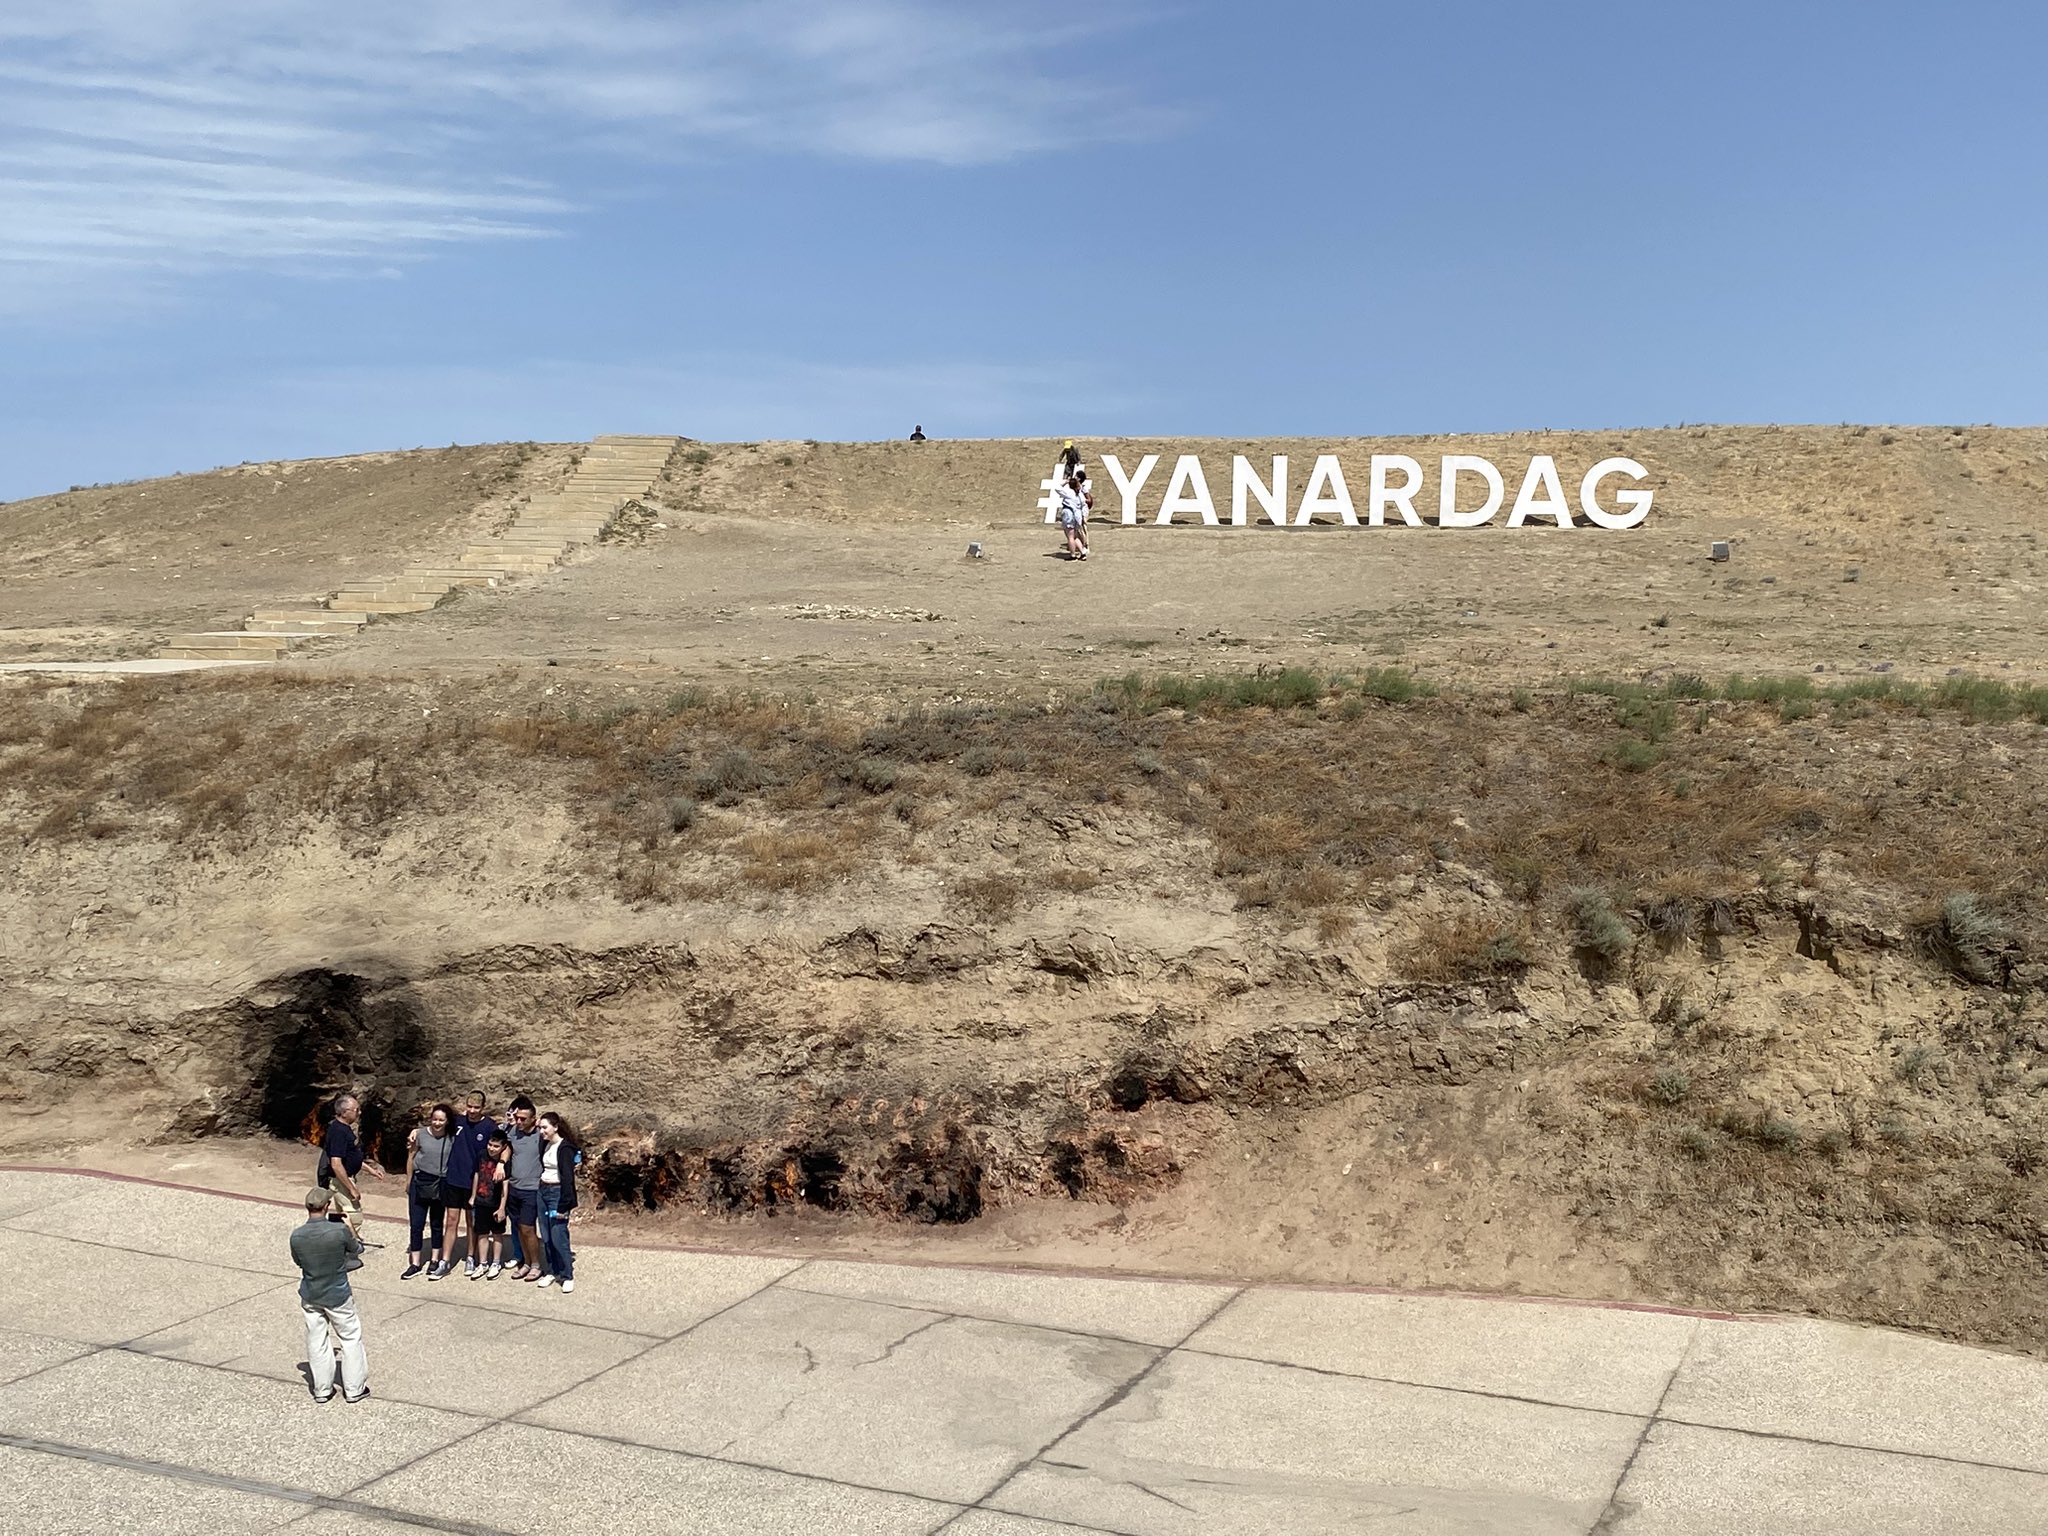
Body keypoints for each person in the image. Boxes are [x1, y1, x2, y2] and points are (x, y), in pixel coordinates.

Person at [290, 1187, 368, 1404]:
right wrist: (350, 1228)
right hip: (337, 1293)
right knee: (350, 1338)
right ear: (326, 1207)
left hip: (311, 1293)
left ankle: (322, 1389)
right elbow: (357, 1250)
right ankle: (354, 1389)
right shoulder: (338, 1232)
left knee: (317, 1340)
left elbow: (298, 1262)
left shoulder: (297, 1235)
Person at [316, 1094, 388, 1238]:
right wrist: (351, 1188)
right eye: (356, 1110)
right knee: (354, 1216)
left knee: (342, 1214)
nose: (359, 1113)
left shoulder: (344, 1128)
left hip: (344, 1178)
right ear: (344, 1112)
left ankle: (337, 1240)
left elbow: (350, 1158)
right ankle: (349, 1245)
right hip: (341, 1180)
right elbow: (336, 1164)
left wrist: (371, 1170)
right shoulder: (338, 1132)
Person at [443, 1091, 497, 1277]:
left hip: (474, 1181)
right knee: (451, 1220)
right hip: (454, 1178)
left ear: (483, 1108)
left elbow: (503, 1146)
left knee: (471, 1222)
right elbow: (437, 1127)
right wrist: (416, 1131)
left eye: (476, 1108)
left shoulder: (489, 1126)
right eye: (469, 1107)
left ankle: (471, 1256)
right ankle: (445, 1259)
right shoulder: (457, 1121)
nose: (472, 1111)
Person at [403, 1103, 458, 1279]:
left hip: (441, 1182)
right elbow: (411, 1157)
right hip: (420, 1181)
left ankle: (435, 1258)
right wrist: (408, 1180)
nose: (437, 1123)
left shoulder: (452, 1137)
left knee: (436, 1223)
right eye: (435, 1119)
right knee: (416, 1224)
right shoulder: (419, 1134)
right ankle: (415, 1262)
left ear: (447, 1121)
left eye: (441, 1120)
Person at [535, 1112, 582, 1292]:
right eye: (540, 1128)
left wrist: (564, 1205)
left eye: (545, 1127)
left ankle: (567, 1274)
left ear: (555, 1127)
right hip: (542, 1190)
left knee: (558, 1234)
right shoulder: (545, 1145)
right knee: (546, 1234)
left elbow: (568, 1178)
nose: (542, 1131)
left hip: (557, 1192)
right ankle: (552, 1270)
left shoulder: (565, 1148)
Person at [503, 1095, 544, 1281]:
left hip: (531, 1189)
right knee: (518, 1227)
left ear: (533, 1119)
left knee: (528, 1228)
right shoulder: (512, 1132)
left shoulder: (540, 1134)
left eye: (523, 1119)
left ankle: (536, 1265)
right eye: (517, 1118)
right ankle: (526, 1263)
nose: (519, 1122)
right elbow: (503, 1143)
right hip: (514, 1187)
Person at [469, 1130, 511, 1279]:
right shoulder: (481, 1155)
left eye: (496, 1146)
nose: (491, 1148)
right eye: (490, 1144)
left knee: (497, 1233)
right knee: (482, 1233)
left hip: (496, 1202)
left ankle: (496, 1262)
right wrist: (473, 1196)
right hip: (481, 1200)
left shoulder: (504, 1162)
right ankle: (483, 1263)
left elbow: (505, 1186)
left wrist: (501, 1208)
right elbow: (476, 1175)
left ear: (503, 1147)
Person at [1057, 466, 1091, 561]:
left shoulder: (1069, 493)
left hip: (1069, 514)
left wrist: (1065, 482)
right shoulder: (1079, 494)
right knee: (1075, 536)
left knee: (1070, 536)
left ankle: (1073, 555)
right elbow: (1085, 501)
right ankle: (1083, 552)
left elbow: (1057, 487)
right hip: (1077, 515)